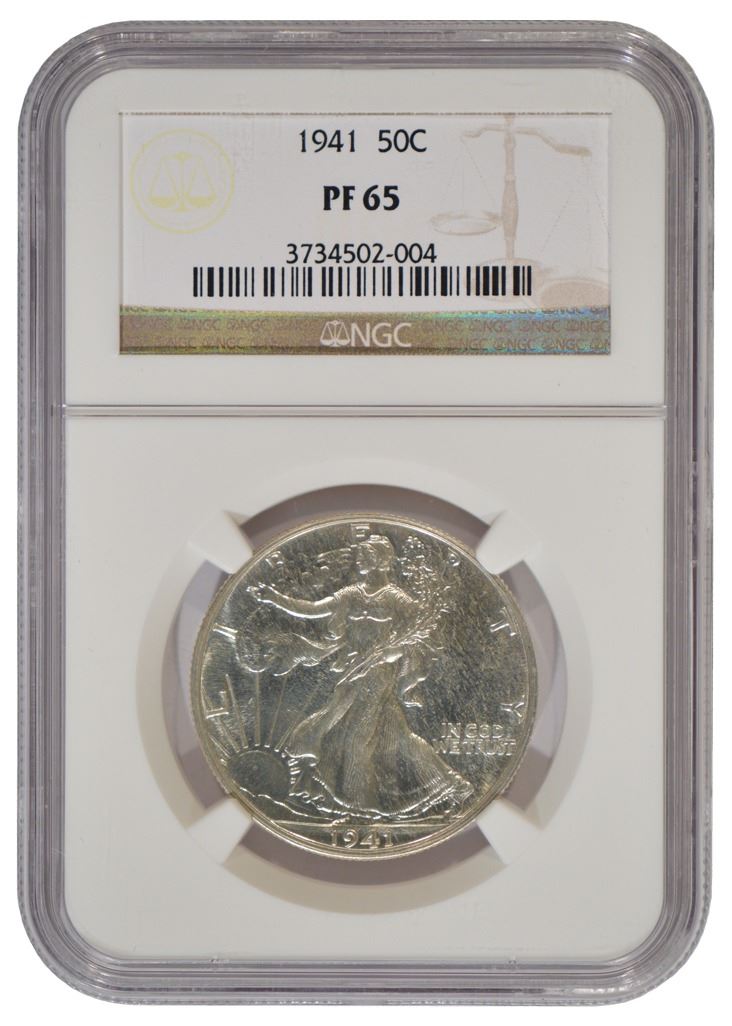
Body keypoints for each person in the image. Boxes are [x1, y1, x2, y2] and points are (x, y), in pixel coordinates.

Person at [248, 534, 473, 820]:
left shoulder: (395, 598)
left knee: (355, 739)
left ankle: (359, 806)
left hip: (378, 675)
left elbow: (426, 633)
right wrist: (274, 598)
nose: (360, 561)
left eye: (365, 556)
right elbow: (314, 610)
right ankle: (451, 785)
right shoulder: (351, 594)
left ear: (380, 560)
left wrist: (396, 651)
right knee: (397, 736)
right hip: (354, 672)